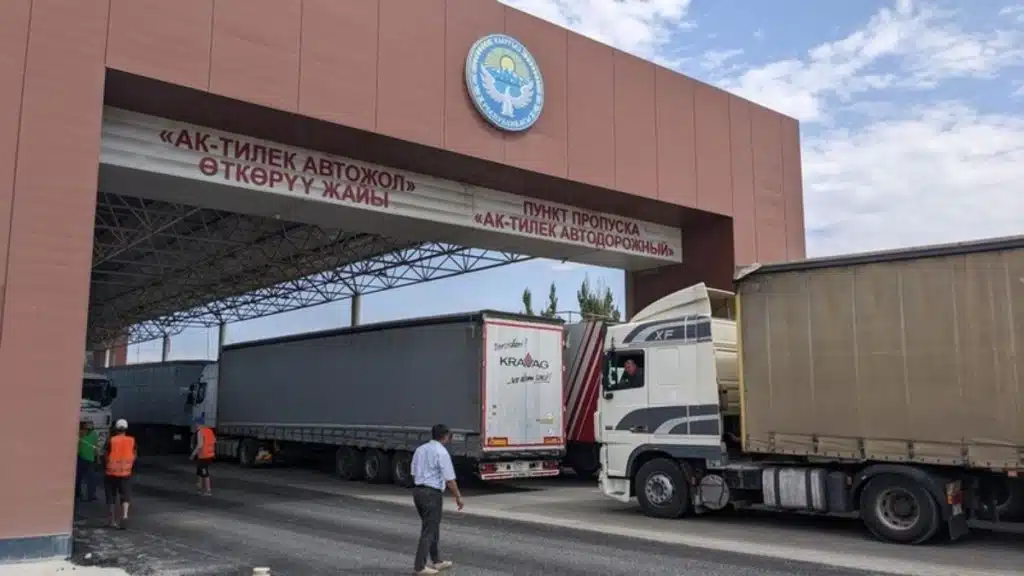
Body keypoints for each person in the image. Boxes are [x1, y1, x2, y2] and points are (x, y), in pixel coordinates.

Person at [410, 424, 464, 575]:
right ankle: (419, 567)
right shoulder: (441, 452)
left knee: (432, 527)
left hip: (418, 491)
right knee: (429, 530)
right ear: (445, 436)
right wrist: (458, 497)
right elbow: (450, 479)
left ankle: (437, 561)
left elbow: (413, 472)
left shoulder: (420, 449)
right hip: (432, 494)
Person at [103, 418, 136, 530]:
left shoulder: (111, 441)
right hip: (126, 473)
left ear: (116, 428)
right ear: (126, 429)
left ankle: (112, 520)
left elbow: (105, 455)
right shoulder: (132, 440)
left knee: (111, 497)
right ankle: (124, 516)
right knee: (125, 495)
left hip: (111, 473)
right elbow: (134, 455)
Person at [76, 421, 100, 502]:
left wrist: (98, 458)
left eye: (90, 429)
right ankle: (78, 494)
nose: (88, 430)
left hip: (90, 460)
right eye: (86, 429)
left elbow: (96, 446)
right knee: (78, 478)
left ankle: (91, 495)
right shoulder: (79, 434)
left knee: (92, 478)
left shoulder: (94, 434)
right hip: (80, 459)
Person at [189, 423, 216, 496]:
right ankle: (199, 489)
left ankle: (208, 491)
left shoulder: (200, 431)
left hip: (203, 456)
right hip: (209, 455)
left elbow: (200, 445)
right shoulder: (209, 430)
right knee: (200, 472)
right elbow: (214, 441)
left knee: (204, 473)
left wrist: (193, 454)